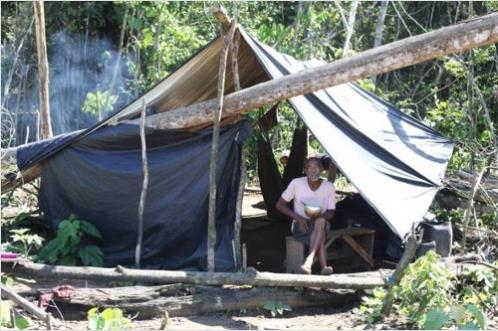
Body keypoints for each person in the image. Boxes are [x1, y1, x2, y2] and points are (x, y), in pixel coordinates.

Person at [276, 157, 336, 275]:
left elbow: (331, 212)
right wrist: (298, 218)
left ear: (322, 170)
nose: (313, 171)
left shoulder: (329, 187)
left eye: (316, 167)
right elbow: (280, 205)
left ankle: (308, 262)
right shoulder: (296, 183)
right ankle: (324, 267)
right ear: (305, 170)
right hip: (300, 225)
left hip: (320, 224)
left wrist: (320, 217)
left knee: (320, 223)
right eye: (309, 168)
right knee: (319, 232)